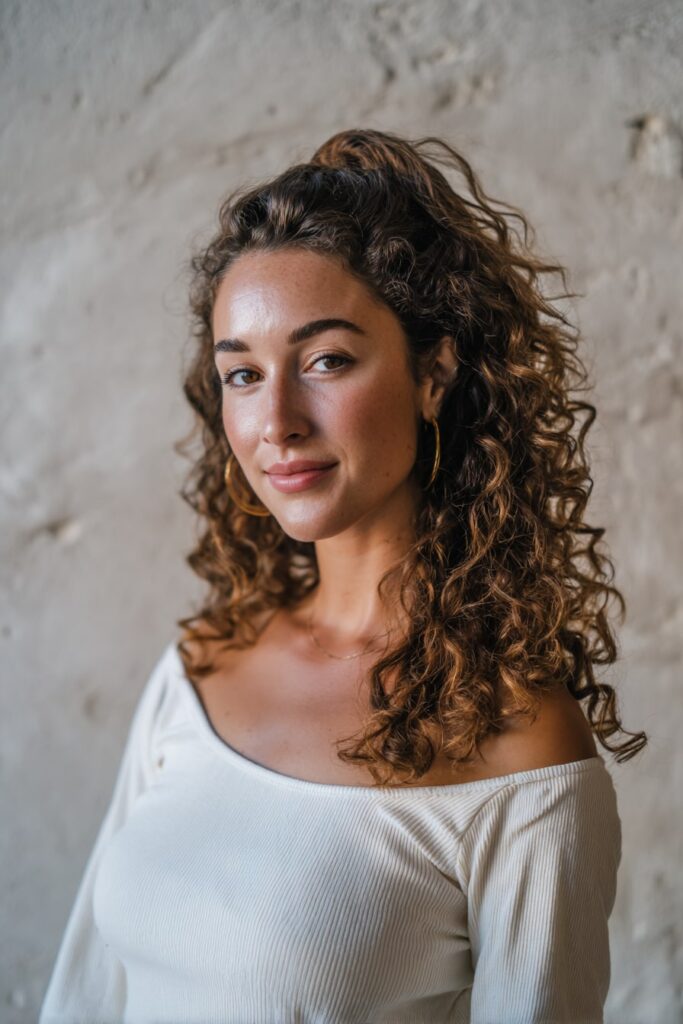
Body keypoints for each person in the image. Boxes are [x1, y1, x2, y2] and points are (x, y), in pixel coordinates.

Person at [39, 127, 647, 1024]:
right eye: (241, 374)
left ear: (433, 372)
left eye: (325, 360)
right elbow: (84, 994)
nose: (274, 420)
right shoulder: (201, 668)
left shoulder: (518, 747)